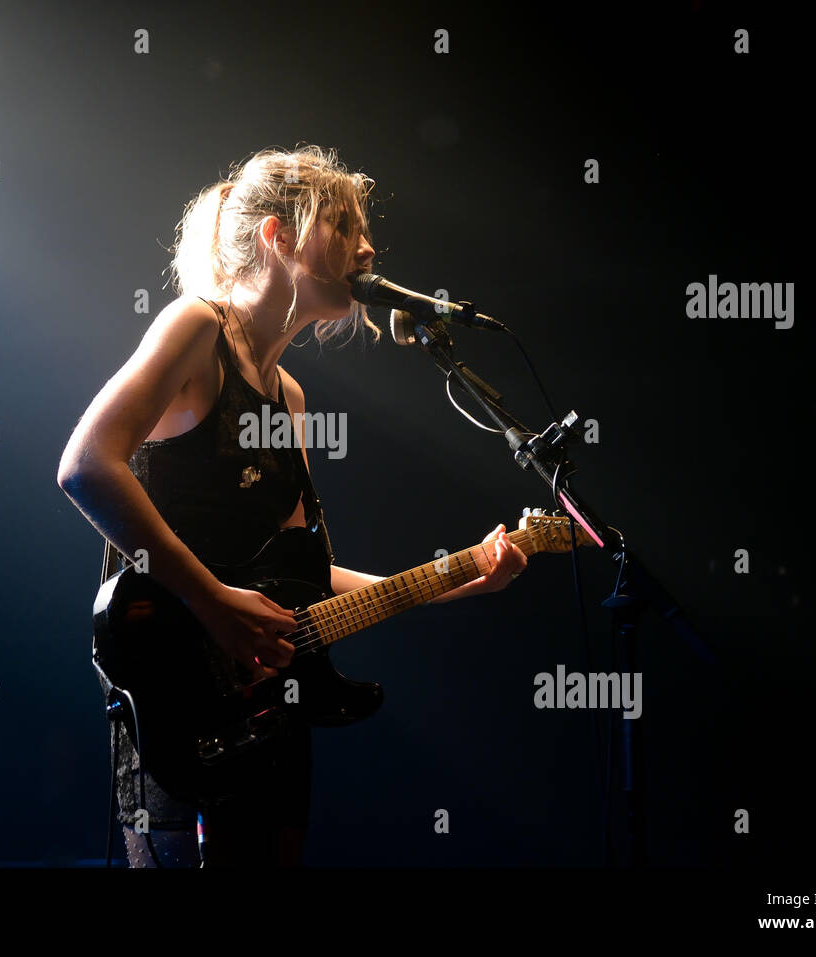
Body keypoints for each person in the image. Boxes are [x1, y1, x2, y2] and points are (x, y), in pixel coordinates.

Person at [57, 145, 528, 867]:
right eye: (343, 225)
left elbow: (306, 578)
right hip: (179, 698)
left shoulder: (291, 397)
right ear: (276, 237)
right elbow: (86, 465)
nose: (368, 247)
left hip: (268, 713)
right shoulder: (196, 329)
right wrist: (214, 601)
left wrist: (453, 579)